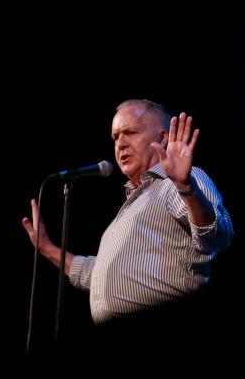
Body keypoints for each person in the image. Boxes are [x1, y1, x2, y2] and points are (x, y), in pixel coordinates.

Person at [21, 99, 233, 354]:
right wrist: (47, 249)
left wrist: (186, 187)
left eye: (130, 132)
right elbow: (97, 273)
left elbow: (217, 236)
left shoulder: (178, 184)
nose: (120, 144)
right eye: (115, 137)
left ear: (163, 137)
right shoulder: (129, 211)